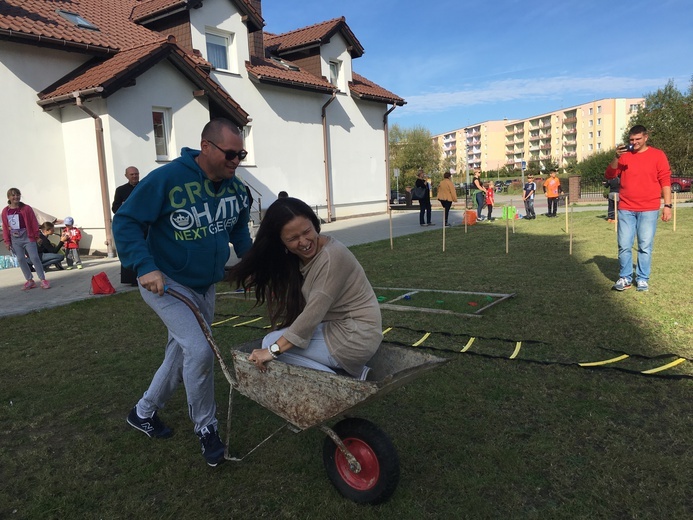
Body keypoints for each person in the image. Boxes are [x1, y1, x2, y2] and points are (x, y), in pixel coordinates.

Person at [112, 118, 252, 467]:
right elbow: (126, 221)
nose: (236, 161)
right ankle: (207, 428)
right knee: (201, 351)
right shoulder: (167, 178)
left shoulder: (236, 188)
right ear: (206, 147)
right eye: (230, 154)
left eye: (241, 154)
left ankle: (143, 412)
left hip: (205, 284)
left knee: (182, 351)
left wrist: (255, 266)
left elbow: (239, 231)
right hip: (167, 283)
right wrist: (143, 266)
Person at [227, 197, 382, 381]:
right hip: (340, 328)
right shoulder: (301, 258)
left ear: (315, 224)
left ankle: (343, 380)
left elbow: (311, 316)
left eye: (307, 231)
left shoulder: (332, 257)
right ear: (281, 242)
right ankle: (346, 373)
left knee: (271, 343)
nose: (304, 241)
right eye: (293, 238)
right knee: (276, 338)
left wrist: (272, 351)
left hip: (356, 336)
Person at [605, 125, 671, 292]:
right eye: (631, 140)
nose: (634, 143)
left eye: (637, 139)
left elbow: (665, 182)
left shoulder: (658, 155)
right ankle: (625, 277)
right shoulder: (624, 156)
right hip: (626, 208)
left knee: (645, 246)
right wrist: (616, 157)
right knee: (624, 245)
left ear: (646, 137)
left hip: (649, 208)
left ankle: (642, 279)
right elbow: (609, 175)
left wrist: (667, 206)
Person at [2, 188, 50, 289]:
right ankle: (29, 280)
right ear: (9, 197)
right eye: (13, 195)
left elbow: (33, 222)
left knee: (34, 258)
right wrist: (7, 241)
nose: (16, 197)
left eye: (18, 195)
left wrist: (37, 236)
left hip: (28, 237)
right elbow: (5, 227)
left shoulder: (26, 208)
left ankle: (43, 279)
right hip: (15, 239)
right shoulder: (5, 211)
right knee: (20, 259)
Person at [112, 166, 140, 285]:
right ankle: (131, 279)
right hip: (129, 225)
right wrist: (125, 207)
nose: (134, 176)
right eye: (132, 174)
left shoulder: (145, 185)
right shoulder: (121, 190)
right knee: (131, 250)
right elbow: (115, 207)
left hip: (144, 224)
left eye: (136, 174)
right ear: (126, 176)